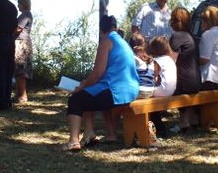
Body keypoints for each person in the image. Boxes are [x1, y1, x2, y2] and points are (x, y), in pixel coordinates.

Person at [62, 15, 139, 151]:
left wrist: (82, 85)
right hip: (132, 89)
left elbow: (98, 73)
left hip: (117, 91)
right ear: (116, 28)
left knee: (76, 99)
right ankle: (90, 133)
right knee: (88, 94)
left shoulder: (106, 42)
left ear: (101, 30)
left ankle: (73, 141)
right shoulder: (123, 42)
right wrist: (86, 85)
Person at [169, 7, 201, 132]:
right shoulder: (192, 36)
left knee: (171, 86)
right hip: (196, 80)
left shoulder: (177, 36)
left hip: (184, 81)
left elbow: (171, 60)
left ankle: (184, 122)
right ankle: (193, 120)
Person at [147, 35, 177, 137]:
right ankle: (158, 127)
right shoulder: (169, 59)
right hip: (171, 89)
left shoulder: (157, 61)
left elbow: (152, 76)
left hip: (162, 89)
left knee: (144, 95)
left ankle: (158, 128)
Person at [14, 0, 34, 103]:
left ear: (23, 3)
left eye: (19, 3)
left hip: (21, 44)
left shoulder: (25, 14)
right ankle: (18, 94)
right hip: (22, 43)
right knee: (18, 70)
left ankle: (22, 96)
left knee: (20, 71)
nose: (18, 5)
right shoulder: (25, 14)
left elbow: (18, 29)